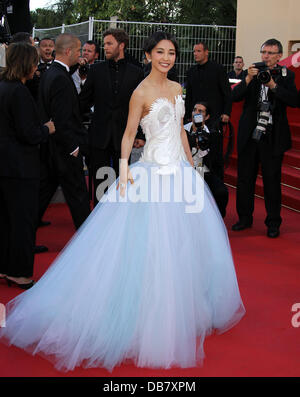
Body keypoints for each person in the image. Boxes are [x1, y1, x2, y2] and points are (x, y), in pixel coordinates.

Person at [0, 31, 245, 372]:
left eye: (172, 52)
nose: (167, 57)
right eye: (160, 52)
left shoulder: (177, 90)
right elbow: (129, 134)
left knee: (185, 246)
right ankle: (143, 313)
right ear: (147, 55)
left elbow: (180, 129)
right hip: (149, 175)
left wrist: (191, 165)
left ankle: (183, 309)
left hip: (179, 173)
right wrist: (125, 170)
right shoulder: (140, 92)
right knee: (149, 248)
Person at [0, 42, 55, 289]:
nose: (36, 66)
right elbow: (29, 134)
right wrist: (47, 128)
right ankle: (19, 273)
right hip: (21, 169)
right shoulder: (19, 93)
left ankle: (4, 267)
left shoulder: (2, 87)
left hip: (4, 167)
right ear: (26, 63)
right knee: (23, 222)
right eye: (34, 62)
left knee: (5, 220)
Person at [231, 38, 298, 238]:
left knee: (271, 180)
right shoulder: (252, 72)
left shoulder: (287, 75)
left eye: (270, 53)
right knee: (244, 179)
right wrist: (249, 79)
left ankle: (273, 223)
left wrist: (273, 85)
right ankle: (244, 218)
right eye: (264, 52)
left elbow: (295, 100)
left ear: (279, 56)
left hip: (272, 136)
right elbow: (234, 97)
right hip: (250, 135)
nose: (266, 56)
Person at [79, 28, 145, 205]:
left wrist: (140, 134)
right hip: (98, 137)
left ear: (121, 45)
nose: (105, 47)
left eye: (109, 43)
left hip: (124, 137)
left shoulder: (136, 72)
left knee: (121, 182)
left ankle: (118, 220)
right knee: (100, 183)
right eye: (105, 43)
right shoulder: (96, 70)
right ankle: (101, 222)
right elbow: (82, 102)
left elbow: (141, 108)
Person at [38, 33, 91, 230]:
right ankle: (88, 238)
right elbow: (62, 119)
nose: (80, 55)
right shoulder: (60, 77)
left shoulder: (50, 73)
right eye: (78, 50)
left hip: (53, 148)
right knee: (78, 195)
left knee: (43, 193)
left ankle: (24, 235)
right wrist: (73, 147)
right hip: (64, 149)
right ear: (68, 51)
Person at [184, 41, 232, 181]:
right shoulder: (191, 71)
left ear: (206, 52)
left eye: (198, 51)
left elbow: (227, 93)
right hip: (196, 118)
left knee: (214, 152)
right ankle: (196, 179)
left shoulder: (218, 69)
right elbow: (189, 96)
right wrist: (188, 115)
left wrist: (226, 112)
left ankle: (216, 181)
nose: (195, 54)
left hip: (214, 117)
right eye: (194, 51)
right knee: (196, 149)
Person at [184, 101, 229, 217]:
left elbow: (217, 161)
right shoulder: (182, 130)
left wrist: (204, 147)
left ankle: (218, 218)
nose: (196, 113)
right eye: (194, 110)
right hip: (184, 169)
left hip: (202, 169)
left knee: (221, 191)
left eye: (201, 111)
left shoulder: (213, 134)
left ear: (207, 116)